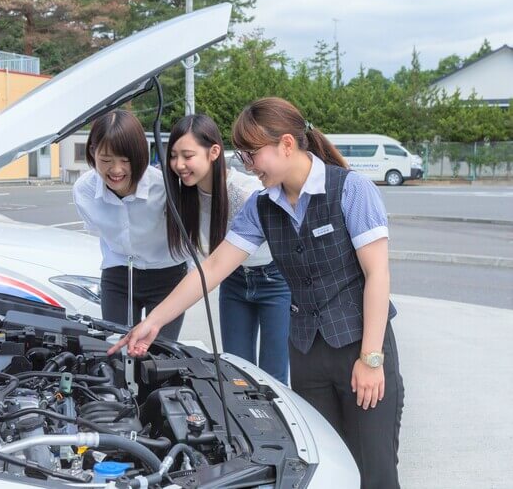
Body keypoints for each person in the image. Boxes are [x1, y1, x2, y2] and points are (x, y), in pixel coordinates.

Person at [109, 97, 404, 489]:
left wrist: (371, 358)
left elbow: (377, 274)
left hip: (361, 345)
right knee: (325, 472)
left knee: (375, 474)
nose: (247, 165)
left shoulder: (351, 190)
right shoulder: (263, 206)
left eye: (251, 154)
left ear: (285, 144)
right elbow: (213, 267)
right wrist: (154, 322)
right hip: (306, 354)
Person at [165, 114, 291, 383]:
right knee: (236, 372)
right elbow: (205, 264)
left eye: (187, 155)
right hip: (233, 281)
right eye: (173, 156)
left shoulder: (247, 192)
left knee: (274, 375)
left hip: (275, 280)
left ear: (214, 152)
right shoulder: (183, 196)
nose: (179, 164)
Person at [73, 109, 187, 339]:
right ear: (93, 152)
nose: (116, 170)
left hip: (167, 276)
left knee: (160, 356)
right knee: (117, 349)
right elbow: (98, 231)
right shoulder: (83, 191)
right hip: (118, 276)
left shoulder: (165, 187)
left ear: (140, 155)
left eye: (126, 161)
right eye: (106, 160)